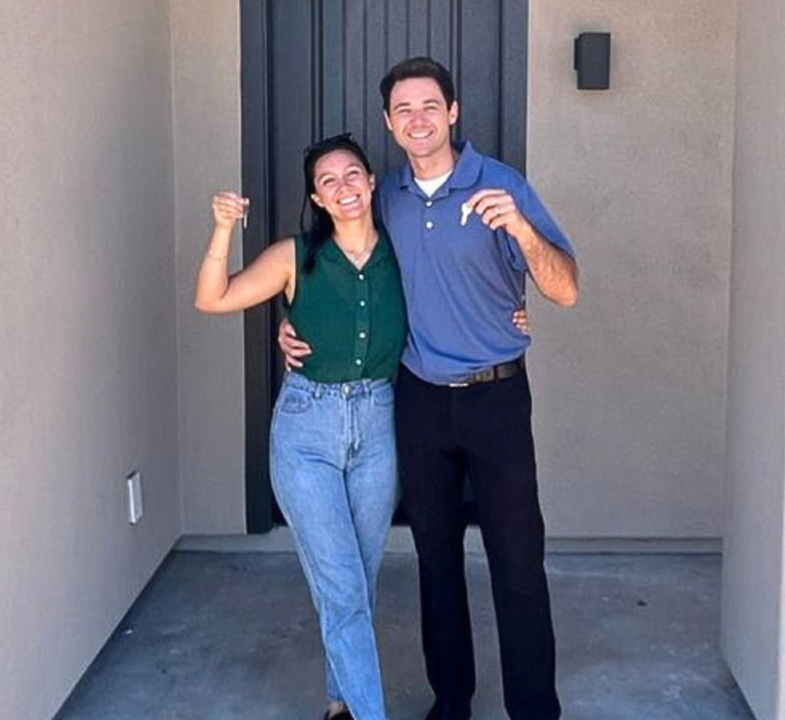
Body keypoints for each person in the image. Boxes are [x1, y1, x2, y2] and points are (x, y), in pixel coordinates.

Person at [281, 57, 578, 720]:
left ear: (452, 113)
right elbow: (334, 271)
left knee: (518, 564)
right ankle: (453, 701)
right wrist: (290, 326)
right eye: (403, 110)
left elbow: (566, 288)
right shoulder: (381, 196)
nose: (417, 119)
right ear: (390, 123)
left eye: (428, 106)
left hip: (496, 397)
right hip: (418, 399)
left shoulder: (500, 186)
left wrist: (521, 231)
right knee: (435, 561)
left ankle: (535, 708)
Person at [195, 134, 401, 720]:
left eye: (353, 174)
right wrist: (220, 230)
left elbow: (454, 289)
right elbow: (214, 298)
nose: (344, 186)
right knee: (343, 588)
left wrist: (510, 310)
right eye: (329, 180)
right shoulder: (295, 256)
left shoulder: (401, 249)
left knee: (358, 581)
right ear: (317, 196)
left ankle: (340, 704)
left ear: (371, 181)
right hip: (307, 431)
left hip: (377, 425)